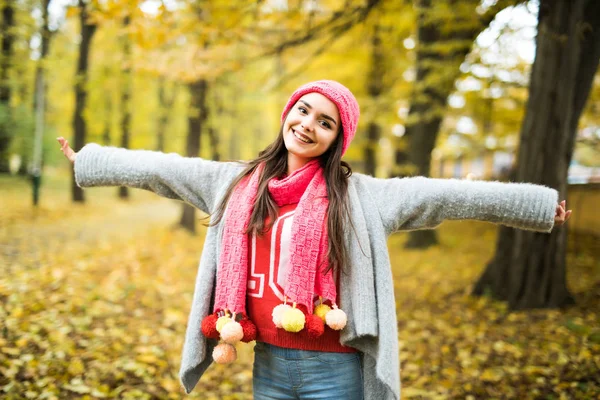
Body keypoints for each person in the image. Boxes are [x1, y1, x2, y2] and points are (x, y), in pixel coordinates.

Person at [58, 80, 571, 400]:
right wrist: (90, 161)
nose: (308, 125)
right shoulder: (235, 183)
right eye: (303, 110)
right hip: (270, 365)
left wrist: (537, 206)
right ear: (288, 113)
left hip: (337, 369)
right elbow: (162, 170)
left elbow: (447, 196)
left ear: (336, 140)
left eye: (325, 122)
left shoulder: (361, 196)